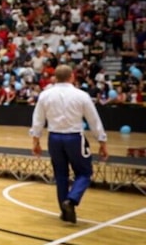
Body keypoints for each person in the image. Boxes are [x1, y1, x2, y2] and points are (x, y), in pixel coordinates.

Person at [29, 64, 108, 224]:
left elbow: (37, 121)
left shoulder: (45, 95)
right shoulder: (81, 95)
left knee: (61, 176)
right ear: (72, 76)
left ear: (55, 77)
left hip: (54, 138)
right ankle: (71, 200)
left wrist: (36, 141)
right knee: (84, 173)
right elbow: (93, 120)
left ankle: (65, 212)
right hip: (74, 138)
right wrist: (102, 141)